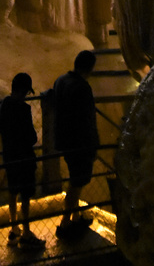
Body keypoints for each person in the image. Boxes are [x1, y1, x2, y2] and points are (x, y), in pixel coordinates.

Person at [52, 50, 99, 239]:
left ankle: (76, 217)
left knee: (74, 178)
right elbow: (87, 120)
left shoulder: (61, 81)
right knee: (77, 182)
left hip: (65, 140)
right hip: (80, 143)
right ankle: (65, 223)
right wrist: (93, 145)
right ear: (90, 68)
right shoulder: (82, 87)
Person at [0, 73, 46, 249]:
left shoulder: (5, 104)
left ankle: (14, 227)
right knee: (25, 194)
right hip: (24, 157)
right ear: (24, 90)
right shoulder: (23, 109)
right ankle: (26, 232)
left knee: (12, 191)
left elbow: (0, 128)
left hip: (10, 156)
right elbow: (31, 136)